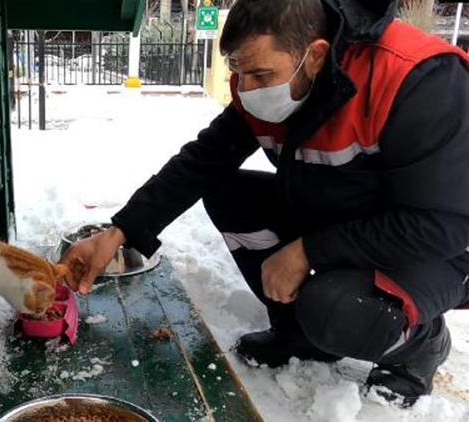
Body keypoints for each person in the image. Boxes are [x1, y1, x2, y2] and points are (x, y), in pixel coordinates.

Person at [61, 0, 469, 407]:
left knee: (336, 310)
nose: (247, 89)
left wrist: (309, 250)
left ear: (316, 56)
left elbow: (444, 224)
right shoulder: (274, 85)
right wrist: (119, 232)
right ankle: (300, 336)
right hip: (349, 218)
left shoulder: (417, 80)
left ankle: (419, 345)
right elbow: (202, 162)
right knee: (226, 190)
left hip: (438, 248)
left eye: (259, 74)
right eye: (239, 73)